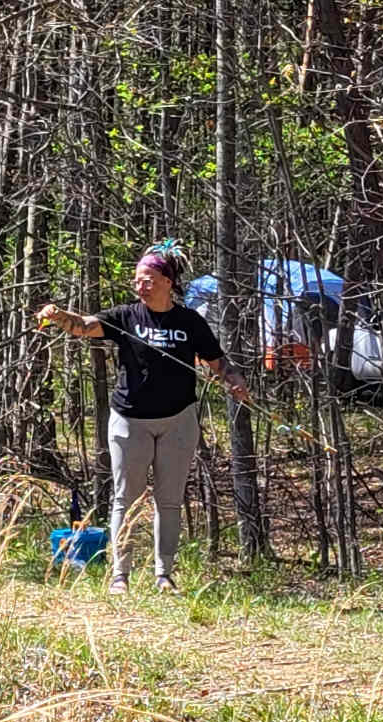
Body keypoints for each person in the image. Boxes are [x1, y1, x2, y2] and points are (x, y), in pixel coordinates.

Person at [36, 241, 252, 593]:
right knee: (126, 498)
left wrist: (234, 381)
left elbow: (218, 361)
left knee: (169, 500)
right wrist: (58, 315)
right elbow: (84, 326)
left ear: (168, 282)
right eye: (137, 280)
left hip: (178, 421)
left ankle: (163, 574)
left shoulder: (189, 321)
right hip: (129, 420)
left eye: (148, 280)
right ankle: (120, 575)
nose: (141, 286)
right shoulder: (126, 317)